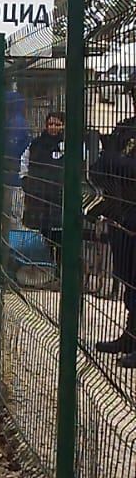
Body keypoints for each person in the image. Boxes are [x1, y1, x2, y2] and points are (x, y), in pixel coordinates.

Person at [92, 120, 136, 366]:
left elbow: (113, 163)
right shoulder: (125, 127)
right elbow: (98, 169)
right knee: (127, 279)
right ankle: (131, 336)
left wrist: (114, 161)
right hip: (121, 213)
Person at [23, 112, 67, 249]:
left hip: (60, 196)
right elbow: (24, 161)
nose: (53, 127)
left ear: (63, 126)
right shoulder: (36, 143)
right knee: (43, 229)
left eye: (57, 124)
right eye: (50, 124)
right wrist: (25, 180)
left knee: (60, 231)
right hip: (39, 196)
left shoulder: (69, 144)